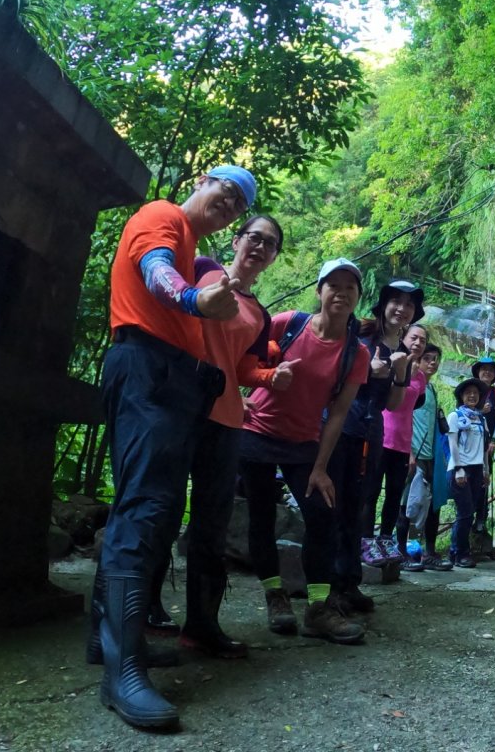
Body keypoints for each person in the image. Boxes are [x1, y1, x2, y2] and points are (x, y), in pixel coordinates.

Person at [93, 164, 256, 729]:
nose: (228, 205)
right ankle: (123, 672)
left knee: (146, 510)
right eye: (226, 192)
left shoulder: (190, 247)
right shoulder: (162, 218)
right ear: (203, 182)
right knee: (146, 512)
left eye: (238, 205)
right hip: (144, 370)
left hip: (163, 378)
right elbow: (155, 271)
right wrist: (193, 298)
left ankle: (106, 640)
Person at [176, 215, 292, 659]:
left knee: (212, 524)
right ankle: (144, 615)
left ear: (274, 257)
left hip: (227, 418)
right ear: (236, 239)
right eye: (254, 238)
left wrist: (268, 377)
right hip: (182, 406)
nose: (260, 247)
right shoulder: (203, 268)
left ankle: (202, 625)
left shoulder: (260, 315)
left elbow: (243, 367)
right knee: (163, 508)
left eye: (270, 244)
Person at [238, 258, 369, 645]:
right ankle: (275, 596)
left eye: (350, 287)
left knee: (321, 514)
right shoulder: (287, 324)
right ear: (319, 290)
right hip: (256, 432)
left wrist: (321, 467)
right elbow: (241, 359)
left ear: (358, 297)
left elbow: (339, 413)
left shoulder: (354, 353)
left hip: (303, 442)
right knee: (261, 516)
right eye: (333, 285)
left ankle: (317, 607)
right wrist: (235, 396)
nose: (341, 292)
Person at [355, 281, 425, 573]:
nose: (402, 308)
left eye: (409, 304)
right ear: (383, 305)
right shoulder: (361, 334)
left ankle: (378, 544)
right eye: (396, 301)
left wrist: (397, 374)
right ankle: (363, 540)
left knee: (385, 491)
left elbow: (394, 404)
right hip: (348, 425)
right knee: (364, 493)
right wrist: (366, 370)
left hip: (374, 430)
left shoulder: (404, 359)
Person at [372, 324, 428, 565]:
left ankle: (386, 539)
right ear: (404, 338)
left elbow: (412, 408)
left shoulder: (422, 378)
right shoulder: (392, 361)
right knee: (371, 492)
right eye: (414, 338)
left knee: (395, 495)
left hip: (404, 442)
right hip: (381, 436)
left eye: (422, 341)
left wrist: (413, 450)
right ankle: (366, 540)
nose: (417, 343)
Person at [396, 343, 454, 571]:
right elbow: (400, 418)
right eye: (427, 358)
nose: (432, 362)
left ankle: (429, 552)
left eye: (435, 359)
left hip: (432, 455)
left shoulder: (430, 389)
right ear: (417, 361)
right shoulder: (409, 385)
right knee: (404, 503)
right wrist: (408, 451)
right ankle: (400, 552)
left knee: (434, 505)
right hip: (412, 453)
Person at [446, 377, 489, 568]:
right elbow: (452, 444)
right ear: (461, 396)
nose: (472, 395)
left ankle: (459, 552)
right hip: (460, 469)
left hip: (478, 468)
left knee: (470, 512)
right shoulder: (455, 416)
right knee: (464, 513)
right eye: (468, 393)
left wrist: (486, 470)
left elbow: (485, 447)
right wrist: (458, 469)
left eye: (475, 393)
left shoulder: (481, 418)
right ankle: (458, 552)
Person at [471, 356, 495, 532]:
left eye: (490, 370)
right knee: (469, 478)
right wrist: (478, 411)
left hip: (487, 444)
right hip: (469, 443)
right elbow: (459, 413)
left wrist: (494, 439)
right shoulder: (470, 389)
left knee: (484, 479)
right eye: (484, 369)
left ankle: (481, 518)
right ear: (478, 371)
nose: (487, 372)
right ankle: (467, 516)